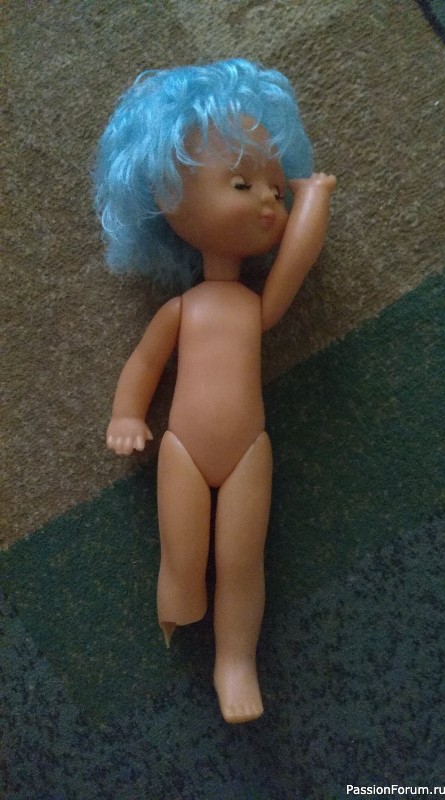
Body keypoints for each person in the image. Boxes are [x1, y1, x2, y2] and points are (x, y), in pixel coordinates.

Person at [94, 59, 336, 723]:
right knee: (183, 559)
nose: (268, 202)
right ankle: (179, 599)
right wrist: (126, 414)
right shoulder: (184, 309)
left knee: (242, 561)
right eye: (241, 183)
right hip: (182, 449)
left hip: (248, 451)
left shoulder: (254, 308)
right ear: (167, 194)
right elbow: (145, 362)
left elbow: (293, 265)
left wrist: (312, 198)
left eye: (275, 189)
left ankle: (235, 662)